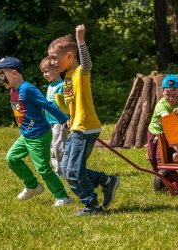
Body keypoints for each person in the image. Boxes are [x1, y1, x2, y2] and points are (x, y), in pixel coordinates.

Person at [48, 24, 120, 216]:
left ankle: (92, 206)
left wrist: (80, 40)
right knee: (65, 168)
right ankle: (106, 181)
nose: (51, 61)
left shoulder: (80, 71)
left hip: (86, 128)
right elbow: (73, 102)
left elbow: (87, 64)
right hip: (76, 128)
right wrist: (69, 118)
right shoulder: (68, 78)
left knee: (75, 170)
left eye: (55, 57)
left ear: (70, 55)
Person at [0, 56, 71, 207]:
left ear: (14, 73)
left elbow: (47, 104)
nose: (0, 79)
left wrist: (64, 119)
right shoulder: (14, 89)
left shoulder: (27, 89)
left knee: (43, 169)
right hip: (26, 135)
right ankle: (33, 186)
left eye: (2, 75)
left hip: (39, 135)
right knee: (12, 158)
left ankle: (62, 196)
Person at [147, 74, 178, 171]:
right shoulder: (161, 105)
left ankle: (168, 178)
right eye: (168, 95)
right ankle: (158, 175)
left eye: (174, 95)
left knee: (162, 157)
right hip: (156, 132)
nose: (171, 98)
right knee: (152, 158)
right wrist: (177, 115)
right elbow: (167, 120)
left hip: (171, 132)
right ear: (162, 92)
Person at [40, 56, 68, 176]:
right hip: (49, 121)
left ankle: (65, 169)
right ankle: (58, 170)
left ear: (56, 69)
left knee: (59, 147)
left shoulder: (62, 85)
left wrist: (68, 118)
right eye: (43, 72)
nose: (44, 75)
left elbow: (66, 103)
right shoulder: (50, 86)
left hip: (59, 121)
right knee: (51, 147)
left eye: (46, 71)